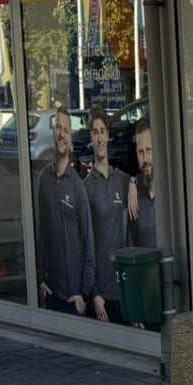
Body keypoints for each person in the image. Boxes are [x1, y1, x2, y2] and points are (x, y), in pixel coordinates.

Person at [34, 106, 94, 316]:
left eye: (66, 130)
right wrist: (40, 280)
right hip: (50, 294)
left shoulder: (78, 186)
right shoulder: (44, 179)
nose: (61, 134)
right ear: (53, 132)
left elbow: (88, 243)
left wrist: (83, 294)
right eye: (58, 127)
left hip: (73, 298)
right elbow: (41, 234)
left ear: (70, 138)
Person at [82, 107, 133, 323]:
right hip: (101, 296)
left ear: (108, 135)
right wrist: (94, 294)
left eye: (102, 132)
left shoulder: (122, 180)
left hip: (123, 288)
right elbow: (84, 244)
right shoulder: (86, 187)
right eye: (95, 133)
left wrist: (133, 182)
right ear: (91, 137)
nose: (99, 138)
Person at [127, 119, 158, 251]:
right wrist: (132, 181)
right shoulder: (133, 196)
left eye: (149, 150)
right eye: (141, 152)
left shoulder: (171, 189)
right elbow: (131, 245)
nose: (145, 159)